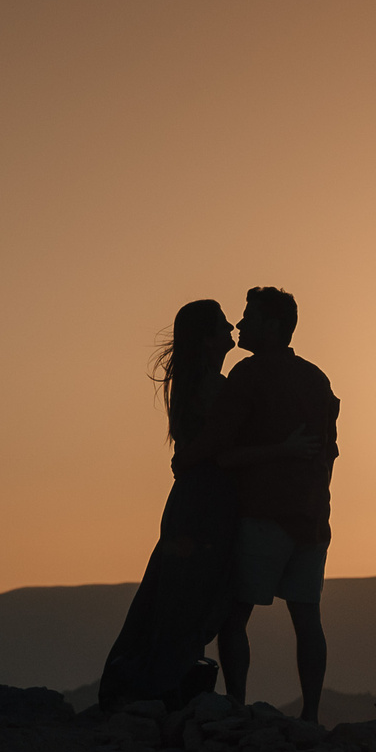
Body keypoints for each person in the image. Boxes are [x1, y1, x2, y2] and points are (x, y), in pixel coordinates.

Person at [189, 286, 339, 722]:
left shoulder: (249, 375)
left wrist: (191, 457)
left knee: (235, 618)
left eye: (249, 318)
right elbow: (328, 450)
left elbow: (223, 448)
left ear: (272, 326)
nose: (240, 325)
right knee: (307, 619)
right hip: (311, 519)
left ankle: (236, 706)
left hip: (263, 514)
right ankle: (310, 716)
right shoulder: (316, 378)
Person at [94, 299, 241, 711]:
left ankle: (146, 681)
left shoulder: (190, 382)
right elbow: (221, 449)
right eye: (222, 323)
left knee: (169, 594)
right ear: (209, 338)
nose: (232, 326)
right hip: (209, 504)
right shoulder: (214, 385)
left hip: (188, 501)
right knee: (195, 595)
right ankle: (162, 685)